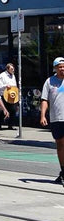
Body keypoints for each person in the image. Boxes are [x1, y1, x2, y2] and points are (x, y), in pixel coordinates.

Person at [40, 57, 64, 188]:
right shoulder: (50, 82)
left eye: (63, 66)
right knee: (60, 144)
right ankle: (63, 170)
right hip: (56, 118)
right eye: (59, 66)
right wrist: (43, 115)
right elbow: (44, 100)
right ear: (55, 68)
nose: (62, 69)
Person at [0, 62, 19, 130]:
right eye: (11, 69)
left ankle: (11, 125)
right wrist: (5, 86)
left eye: (13, 69)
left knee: (13, 110)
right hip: (4, 95)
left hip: (12, 95)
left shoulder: (13, 76)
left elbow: (15, 85)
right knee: (4, 109)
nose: (13, 70)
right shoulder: (2, 75)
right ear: (7, 69)